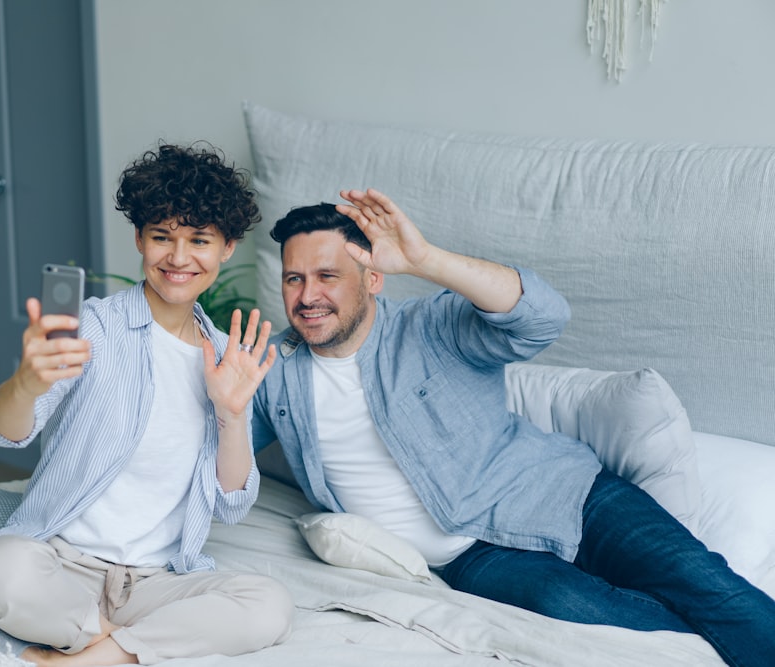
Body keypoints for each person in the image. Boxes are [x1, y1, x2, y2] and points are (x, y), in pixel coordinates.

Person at [251, 188, 775, 667]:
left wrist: (426, 260)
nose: (306, 296)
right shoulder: (270, 370)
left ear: (371, 277)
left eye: (327, 276)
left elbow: (543, 317)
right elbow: (211, 459)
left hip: (566, 493)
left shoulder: (428, 326)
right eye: (293, 278)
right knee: (581, 613)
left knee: (707, 586)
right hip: (473, 556)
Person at [0, 143, 293, 666]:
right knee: (0, 569)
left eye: (199, 240)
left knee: (266, 606)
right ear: (139, 238)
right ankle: (118, 649)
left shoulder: (229, 357)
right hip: (61, 563)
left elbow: (231, 504)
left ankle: (72, 654)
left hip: (157, 580)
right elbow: (9, 431)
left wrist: (231, 415)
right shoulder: (94, 327)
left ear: (226, 247)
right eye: (162, 237)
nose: (179, 259)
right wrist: (25, 383)